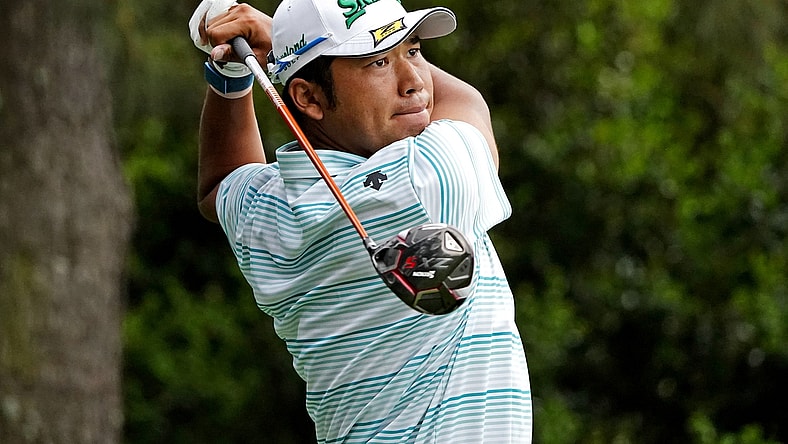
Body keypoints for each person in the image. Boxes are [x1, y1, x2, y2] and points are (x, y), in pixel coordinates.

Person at [189, 0, 532, 442]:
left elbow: (219, 182)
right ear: (308, 97)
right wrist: (276, 40)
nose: (414, 82)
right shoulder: (430, 176)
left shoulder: (269, 209)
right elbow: (467, 101)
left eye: (413, 50)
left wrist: (233, 74)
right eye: (378, 62)